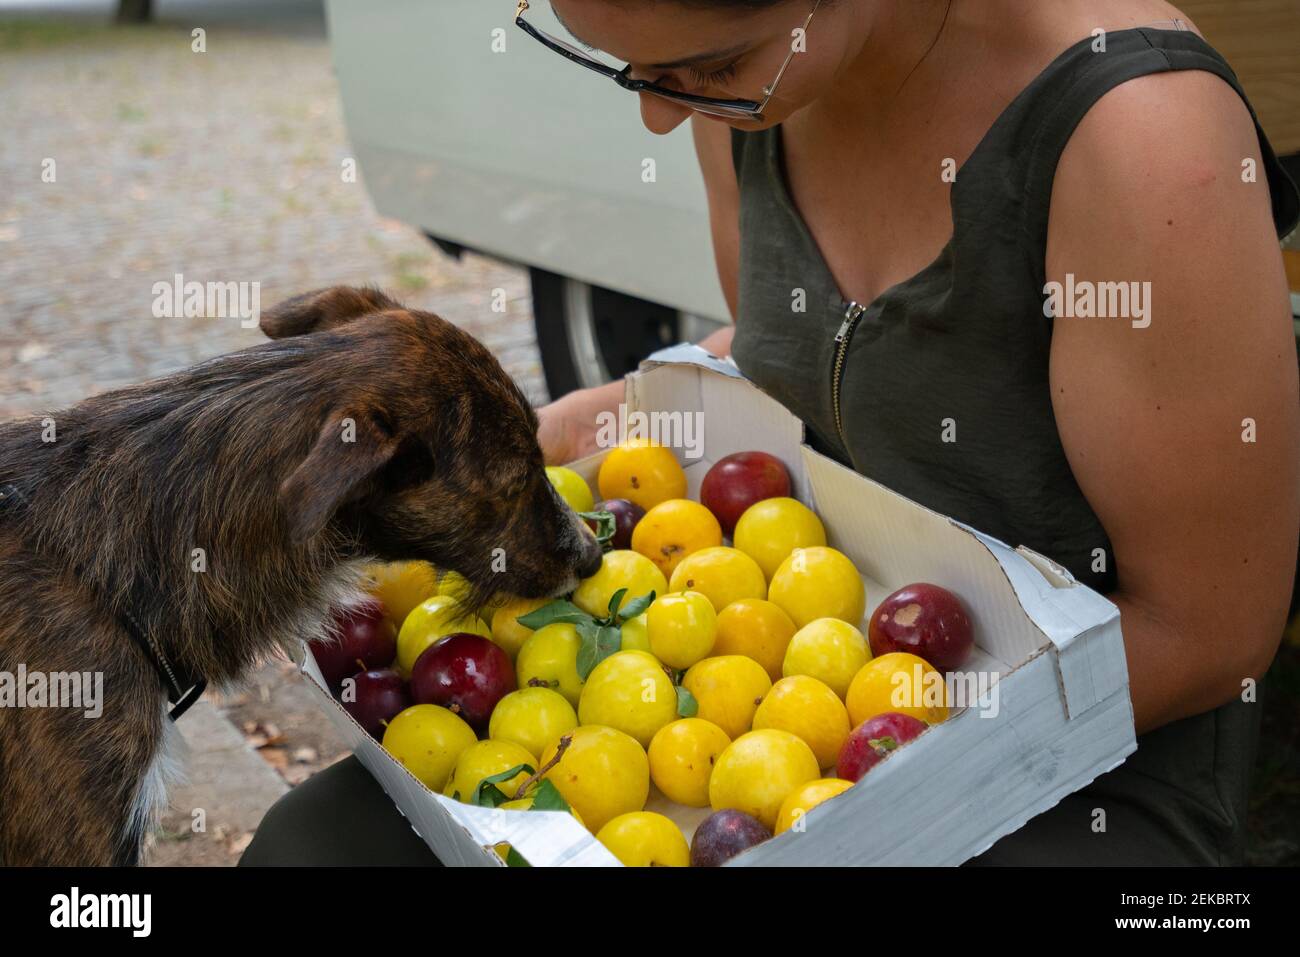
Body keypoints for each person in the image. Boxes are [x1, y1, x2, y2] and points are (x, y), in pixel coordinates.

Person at [241, 0, 1299, 866]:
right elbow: (782, 357)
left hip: (1087, 759)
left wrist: (865, 785)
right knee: (310, 850)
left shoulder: (1141, 142)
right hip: (774, 695)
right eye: (624, 68)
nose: (661, 118)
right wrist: (550, 441)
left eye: (704, 62)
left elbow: (1210, 635)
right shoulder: (740, 93)